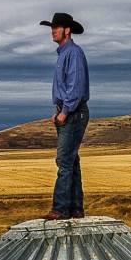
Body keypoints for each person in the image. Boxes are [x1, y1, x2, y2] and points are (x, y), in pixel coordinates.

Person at [39, 12, 89, 220]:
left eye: (56, 27)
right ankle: (75, 209)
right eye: (52, 27)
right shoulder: (63, 54)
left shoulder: (73, 53)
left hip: (73, 113)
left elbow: (75, 87)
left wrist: (65, 111)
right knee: (71, 160)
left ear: (67, 30)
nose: (53, 31)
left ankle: (60, 209)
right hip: (67, 112)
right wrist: (58, 111)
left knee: (64, 161)